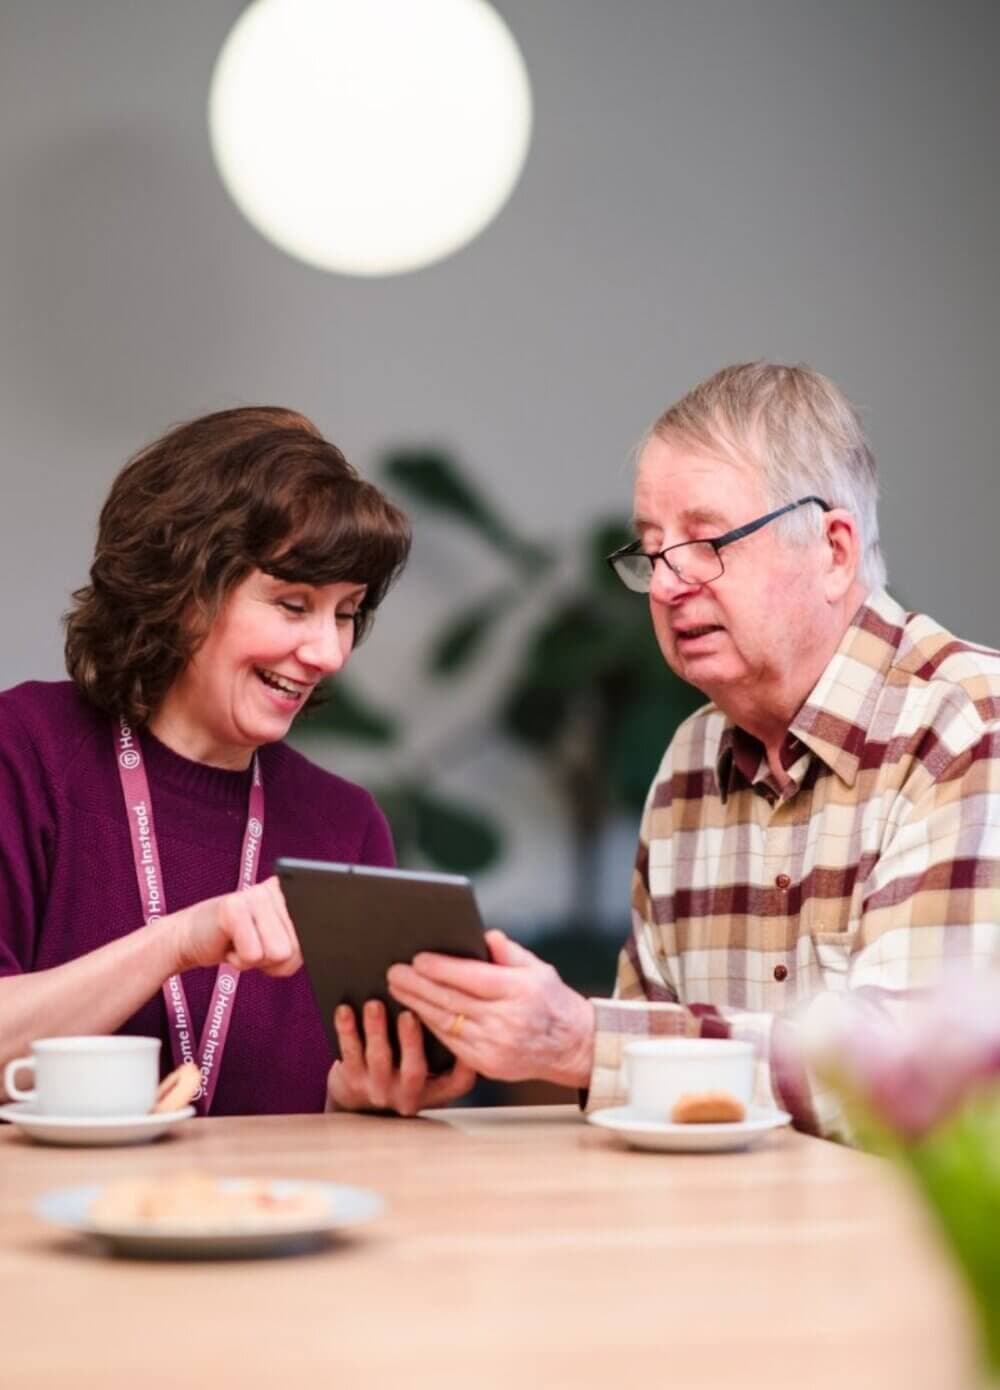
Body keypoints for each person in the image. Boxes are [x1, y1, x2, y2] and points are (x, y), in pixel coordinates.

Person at [381, 362, 1000, 1139]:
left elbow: (896, 1080)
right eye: (650, 550)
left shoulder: (967, 724)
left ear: (834, 550)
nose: (668, 585)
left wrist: (579, 1041)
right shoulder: (687, 763)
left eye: (707, 543)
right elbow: (644, 1099)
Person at [0, 406, 475, 1116]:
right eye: (292, 604)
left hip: (265, 1220)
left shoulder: (344, 823)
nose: (328, 653)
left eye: (345, 613)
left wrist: (354, 1096)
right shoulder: (26, 748)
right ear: (185, 590)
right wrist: (180, 940)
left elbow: (339, 1112)